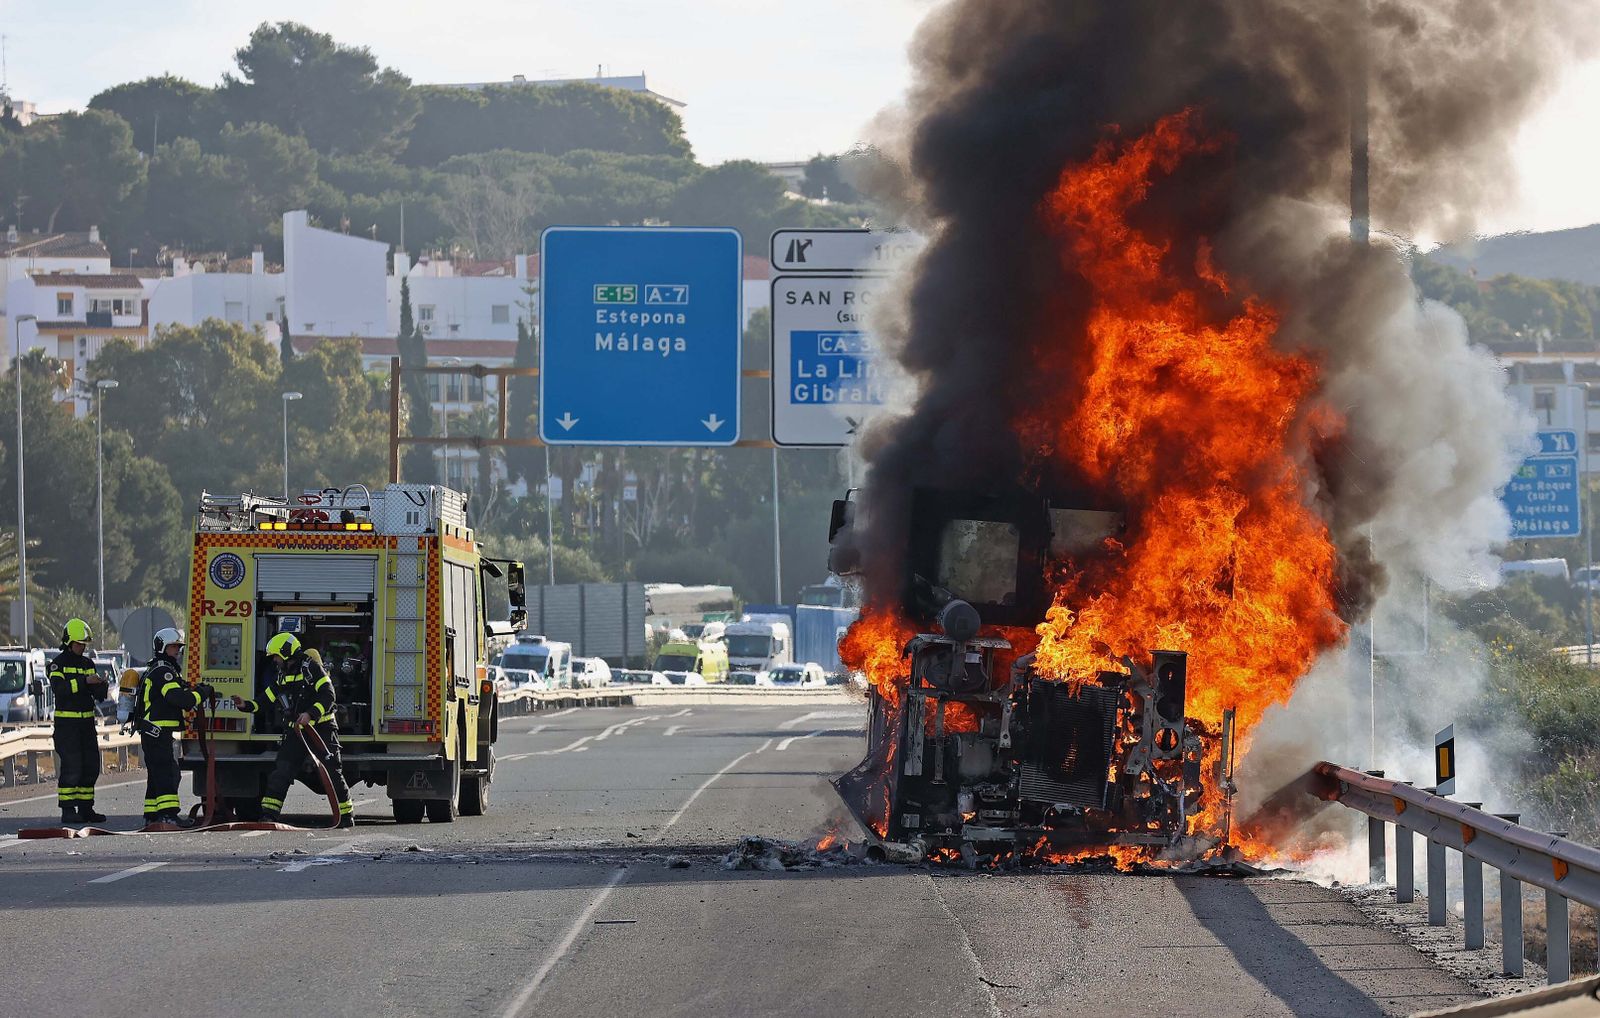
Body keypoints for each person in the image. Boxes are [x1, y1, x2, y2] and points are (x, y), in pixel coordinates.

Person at [234, 632, 353, 828]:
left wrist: (310, 714)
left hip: (322, 728)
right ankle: (269, 815)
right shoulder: (284, 674)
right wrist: (246, 705)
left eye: (276, 656)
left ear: (285, 652)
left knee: (332, 772)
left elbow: (328, 695)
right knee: (282, 771)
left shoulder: (311, 668)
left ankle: (346, 816)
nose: (274, 660)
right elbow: (268, 698)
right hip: (297, 731)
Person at [139, 627, 210, 827]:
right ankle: (168, 815)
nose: (177, 651)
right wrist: (202, 694)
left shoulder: (161, 669)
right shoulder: (163, 672)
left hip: (154, 732)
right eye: (173, 647)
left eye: (179, 647)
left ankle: (152, 815)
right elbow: (179, 699)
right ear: (162, 647)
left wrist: (191, 688)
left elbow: (178, 691)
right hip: (157, 732)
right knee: (167, 773)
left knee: (156, 774)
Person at [49, 619, 109, 824]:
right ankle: (68, 810)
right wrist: (84, 681)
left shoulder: (87, 664)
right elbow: (60, 689)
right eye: (79, 644)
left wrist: (101, 686)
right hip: (67, 727)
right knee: (72, 767)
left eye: (84, 644)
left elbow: (95, 694)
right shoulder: (57, 664)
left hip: (86, 725)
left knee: (91, 766)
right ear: (68, 642)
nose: (82, 648)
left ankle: (86, 808)